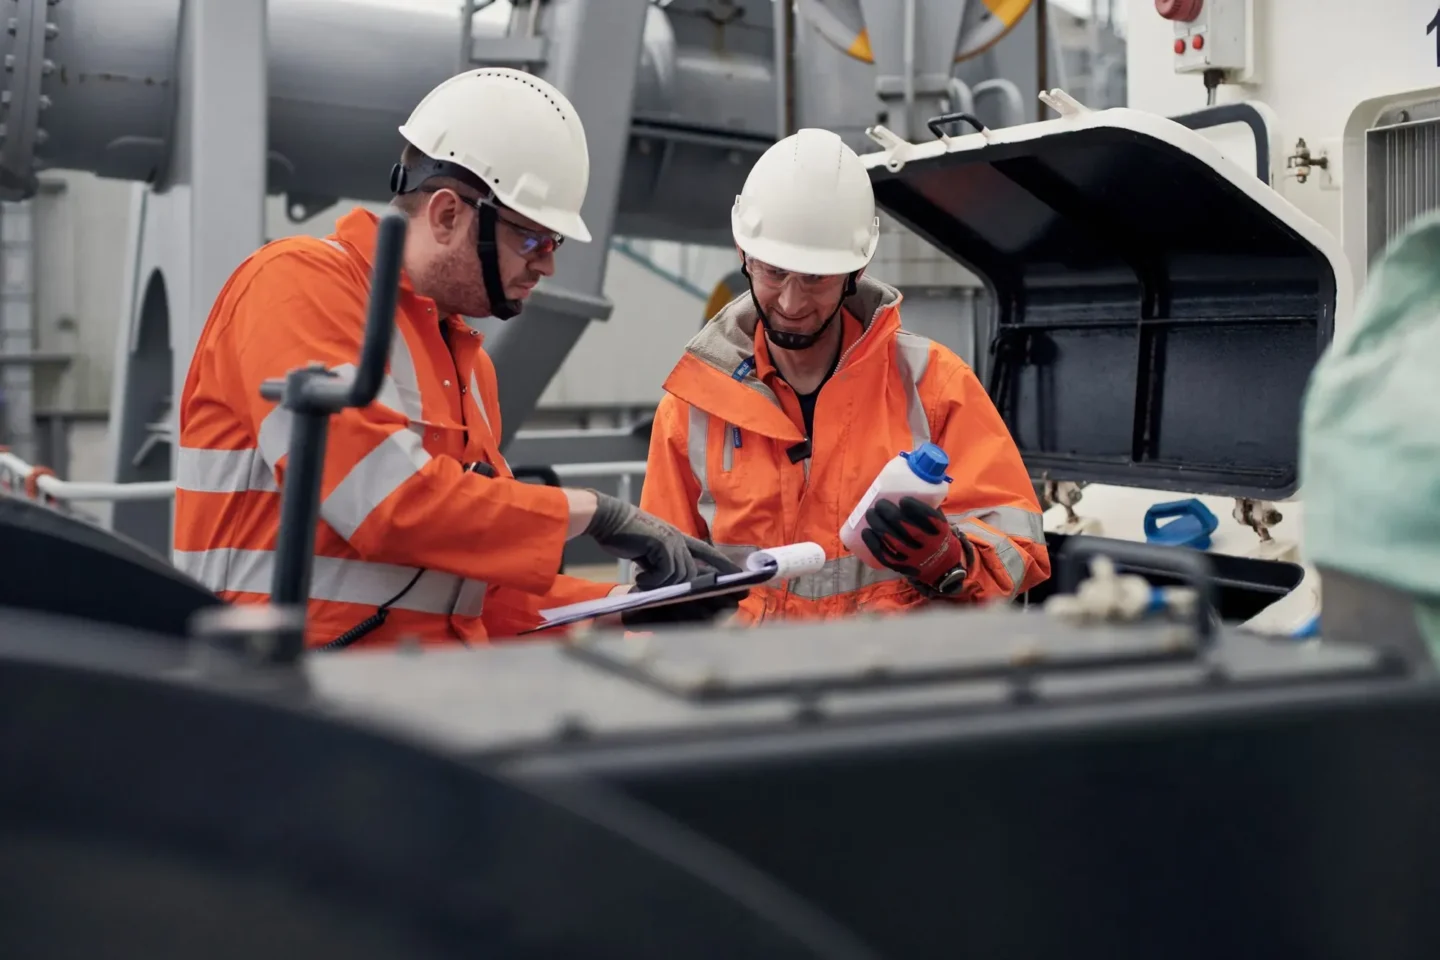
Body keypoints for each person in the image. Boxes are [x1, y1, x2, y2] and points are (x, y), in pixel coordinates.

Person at [174, 68, 740, 648]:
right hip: (274, 688)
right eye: (531, 238)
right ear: (447, 215)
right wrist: (595, 513)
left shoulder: (467, 363)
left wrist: (630, 607)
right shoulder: (296, 283)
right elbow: (385, 505)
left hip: (409, 691)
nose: (547, 264)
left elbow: (476, 591)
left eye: (555, 243)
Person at [640, 128, 1050, 624]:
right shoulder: (694, 406)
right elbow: (660, 591)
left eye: (814, 277)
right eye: (773, 272)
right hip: (748, 671)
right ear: (743, 254)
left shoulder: (934, 385)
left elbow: (1018, 546)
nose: (791, 302)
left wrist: (949, 561)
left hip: (880, 667)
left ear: (856, 271)